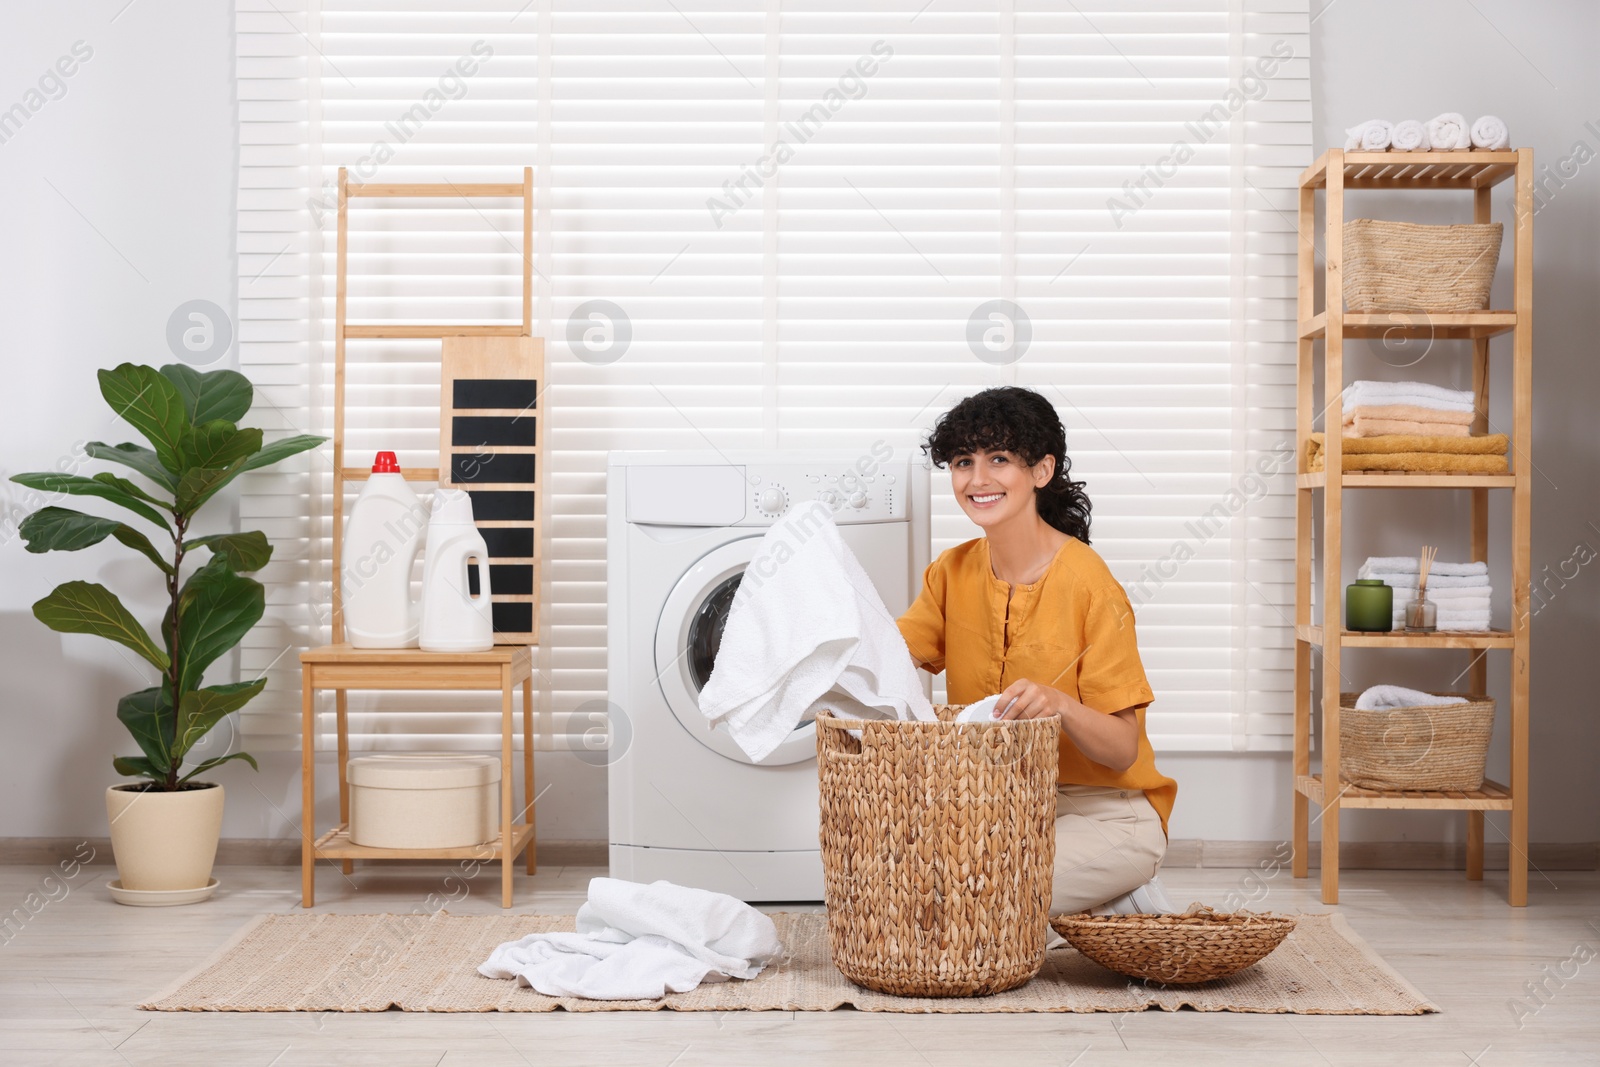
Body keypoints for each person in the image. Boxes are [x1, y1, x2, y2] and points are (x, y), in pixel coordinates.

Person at [896, 386, 1177, 915]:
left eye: (998, 459)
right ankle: (1090, 902)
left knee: (977, 903)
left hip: (1107, 813)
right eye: (963, 462)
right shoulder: (951, 573)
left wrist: (1060, 704)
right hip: (1000, 807)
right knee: (911, 892)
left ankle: (1111, 885)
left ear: (1042, 470)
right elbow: (887, 656)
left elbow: (1122, 751)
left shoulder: (1091, 586)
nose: (977, 479)